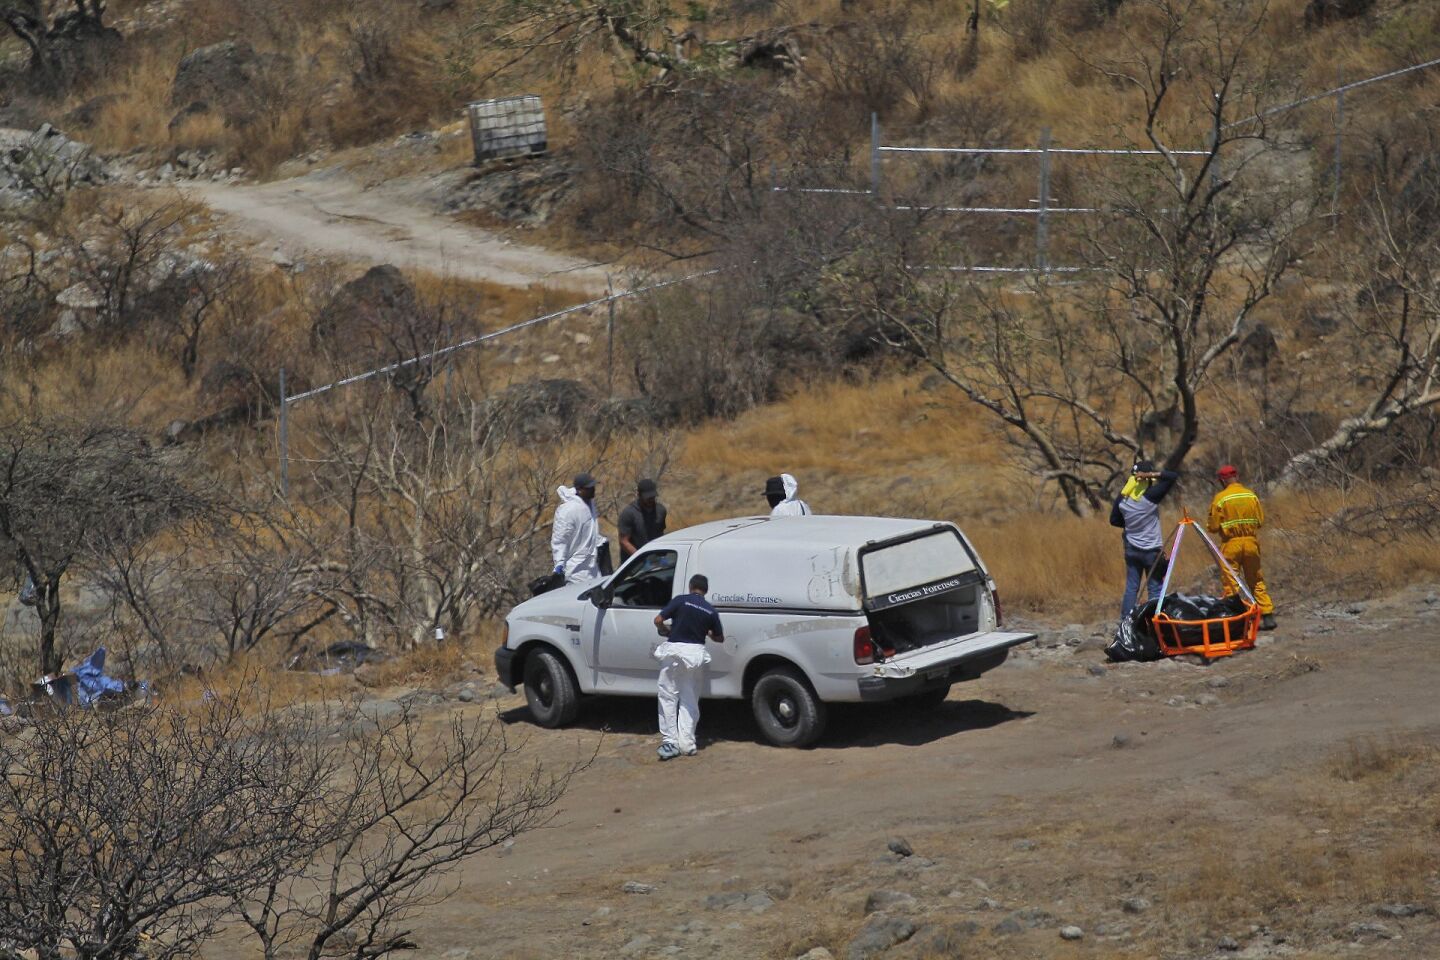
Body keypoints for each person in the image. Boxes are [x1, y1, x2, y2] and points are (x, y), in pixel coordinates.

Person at [652, 574, 724, 760]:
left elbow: (658, 619)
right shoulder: (710, 611)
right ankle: (687, 744)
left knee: (668, 697)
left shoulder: (680, 601)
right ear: (706, 591)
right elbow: (719, 638)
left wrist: (665, 631)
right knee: (689, 700)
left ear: (691, 586)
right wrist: (708, 632)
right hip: (695, 655)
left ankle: (670, 743)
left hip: (674, 651)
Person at [1207, 464, 1276, 630]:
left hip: (1231, 544)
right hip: (1251, 542)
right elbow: (1259, 521)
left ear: (1222, 481)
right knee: (1256, 579)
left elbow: (1213, 526)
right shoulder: (1251, 495)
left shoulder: (1220, 498)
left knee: (1231, 582)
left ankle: (1235, 619)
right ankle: (1268, 616)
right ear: (1237, 477)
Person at [1110, 459, 1180, 618]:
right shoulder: (1151, 497)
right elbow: (1172, 476)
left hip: (1131, 549)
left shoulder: (1122, 499)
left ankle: (1126, 622)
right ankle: (1156, 621)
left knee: (1131, 588)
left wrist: (1130, 524)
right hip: (1152, 551)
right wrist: (1151, 474)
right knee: (1154, 587)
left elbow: (1114, 520)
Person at [551, 472, 602, 585]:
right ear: (579, 490)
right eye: (589, 488)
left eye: (593, 486)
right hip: (575, 571)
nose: (593, 489)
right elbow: (560, 539)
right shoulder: (568, 510)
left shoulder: (590, 504)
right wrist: (559, 563)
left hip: (592, 568)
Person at [618, 478, 667, 561]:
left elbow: (660, 533)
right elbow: (624, 541)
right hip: (634, 562)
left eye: (652, 496)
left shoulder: (661, 510)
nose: (651, 500)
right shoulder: (629, 513)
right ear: (639, 495)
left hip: (656, 559)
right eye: (647, 497)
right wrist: (640, 558)